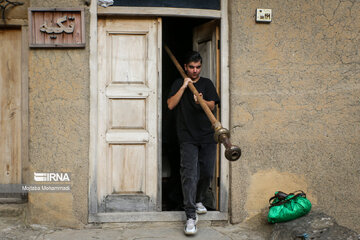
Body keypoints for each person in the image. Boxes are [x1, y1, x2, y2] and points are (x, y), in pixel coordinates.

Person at [167, 51, 220, 235]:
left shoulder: (206, 83)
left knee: (206, 172)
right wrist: (183, 87)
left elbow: (213, 104)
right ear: (185, 67)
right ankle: (190, 216)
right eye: (191, 67)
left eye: (198, 67)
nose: (195, 71)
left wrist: (202, 101)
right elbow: (170, 105)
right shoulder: (178, 83)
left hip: (207, 136)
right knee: (189, 174)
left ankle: (198, 200)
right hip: (187, 137)